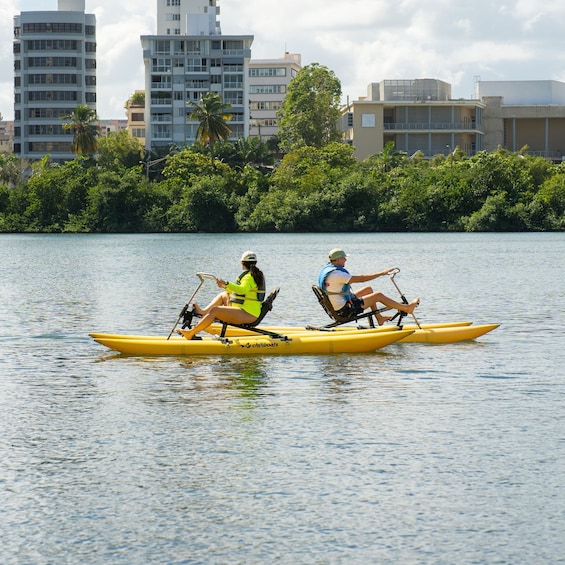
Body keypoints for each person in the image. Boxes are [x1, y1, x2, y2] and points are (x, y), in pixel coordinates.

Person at [318, 248, 419, 325]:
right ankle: (407, 308)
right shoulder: (337, 275)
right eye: (344, 258)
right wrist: (381, 273)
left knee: (368, 289)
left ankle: (379, 318)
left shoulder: (328, 270)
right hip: (345, 311)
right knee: (378, 295)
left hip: (339, 305)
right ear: (338, 259)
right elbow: (362, 279)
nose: (345, 260)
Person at [181, 250, 266, 340]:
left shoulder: (249, 277)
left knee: (215, 310)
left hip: (248, 314)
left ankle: (191, 333)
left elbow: (242, 290)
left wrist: (226, 283)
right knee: (223, 295)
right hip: (244, 309)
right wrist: (224, 286)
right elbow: (238, 291)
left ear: (242, 263)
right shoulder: (252, 275)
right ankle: (204, 312)